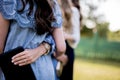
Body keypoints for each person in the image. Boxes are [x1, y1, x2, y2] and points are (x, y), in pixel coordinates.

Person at [0, 0, 66, 80]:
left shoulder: (9, 1)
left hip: (15, 70)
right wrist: (42, 49)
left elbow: (0, 46)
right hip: (46, 71)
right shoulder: (53, 4)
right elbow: (61, 48)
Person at [58, 0, 82, 80]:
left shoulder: (73, 11)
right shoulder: (54, 7)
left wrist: (62, 35)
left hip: (67, 51)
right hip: (54, 49)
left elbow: (76, 37)